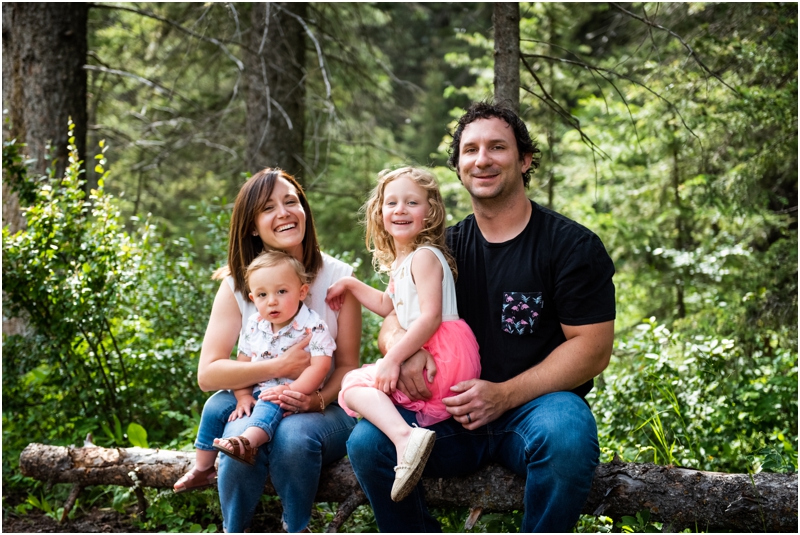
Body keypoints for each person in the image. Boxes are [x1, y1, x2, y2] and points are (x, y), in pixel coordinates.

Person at [346, 102, 616, 532]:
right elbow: (395, 315)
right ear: (457, 166)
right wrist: (404, 350)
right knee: (368, 442)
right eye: (470, 150)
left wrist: (505, 395)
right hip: (446, 412)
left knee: (568, 433)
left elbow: (592, 349)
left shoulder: (571, 246)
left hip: (534, 409)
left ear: (525, 160)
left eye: (497, 147)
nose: (482, 159)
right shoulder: (440, 249)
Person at [195, 168, 361, 533]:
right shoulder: (238, 286)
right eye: (269, 207)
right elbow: (209, 374)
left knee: (293, 437)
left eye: (291, 202)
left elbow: (348, 365)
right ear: (253, 226)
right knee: (241, 440)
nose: (285, 212)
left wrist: (314, 400)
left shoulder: (337, 278)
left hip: (326, 406)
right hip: (261, 395)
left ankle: (296, 527)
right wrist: (282, 365)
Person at [325, 167, 482, 503]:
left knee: (352, 384)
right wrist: (352, 284)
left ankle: (404, 439)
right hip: (444, 356)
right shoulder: (406, 259)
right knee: (361, 387)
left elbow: (430, 317)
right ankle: (405, 440)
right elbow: (388, 304)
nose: (400, 209)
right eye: (392, 203)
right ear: (379, 214)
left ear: (431, 213)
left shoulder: (424, 257)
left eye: (412, 202)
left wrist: (392, 359)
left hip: (443, 356)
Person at [174, 251, 336, 492]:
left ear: (302, 292)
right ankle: (203, 468)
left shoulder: (313, 326)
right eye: (262, 295)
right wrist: (242, 396)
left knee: (270, 403)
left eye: (281, 292)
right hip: (258, 386)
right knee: (214, 406)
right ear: (253, 298)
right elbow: (243, 365)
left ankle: (247, 442)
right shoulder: (254, 326)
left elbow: (320, 367)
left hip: (285, 392)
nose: (271, 301)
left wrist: (291, 390)